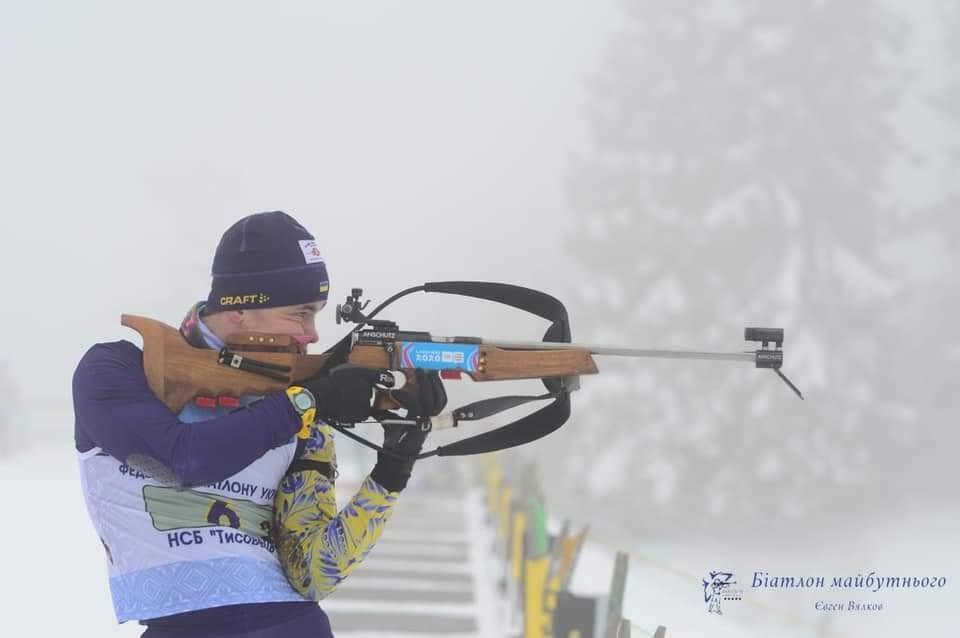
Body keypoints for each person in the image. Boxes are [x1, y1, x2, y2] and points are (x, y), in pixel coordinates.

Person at [73, 211, 446, 637]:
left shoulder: (297, 407)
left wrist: (396, 461)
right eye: (300, 313)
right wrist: (308, 401)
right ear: (242, 307)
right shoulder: (117, 369)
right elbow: (178, 460)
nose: (311, 334)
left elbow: (313, 573)